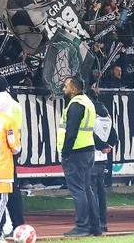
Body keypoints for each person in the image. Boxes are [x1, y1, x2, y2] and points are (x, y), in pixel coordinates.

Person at [57, 76, 100, 237]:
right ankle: (94, 226)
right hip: (88, 150)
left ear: (73, 89)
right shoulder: (88, 102)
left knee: (78, 190)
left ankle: (82, 226)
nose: (63, 89)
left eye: (65, 86)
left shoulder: (75, 105)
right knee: (87, 189)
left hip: (76, 152)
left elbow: (71, 131)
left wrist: (65, 152)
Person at [0, 76, 24, 233]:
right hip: (4, 151)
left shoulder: (2, 107)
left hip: (4, 153)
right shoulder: (11, 105)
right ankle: (12, 226)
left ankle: (4, 227)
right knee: (5, 191)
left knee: (4, 192)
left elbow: (9, 130)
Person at [89, 89, 116, 232]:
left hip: (91, 156)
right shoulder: (107, 114)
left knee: (91, 191)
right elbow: (114, 135)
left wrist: (102, 146)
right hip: (103, 158)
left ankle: (94, 223)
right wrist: (108, 147)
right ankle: (103, 222)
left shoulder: (90, 113)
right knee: (101, 191)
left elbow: (90, 134)